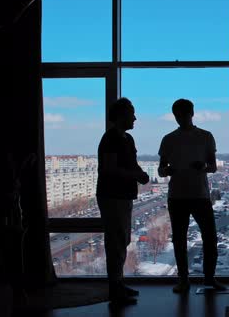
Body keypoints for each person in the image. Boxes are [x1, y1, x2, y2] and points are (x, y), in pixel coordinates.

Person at [158, 98, 226, 293]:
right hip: (180, 196)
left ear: (191, 113)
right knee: (180, 239)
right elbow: (161, 170)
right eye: (178, 116)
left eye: (183, 115)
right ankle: (185, 280)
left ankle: (207, 278)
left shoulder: (205, 137)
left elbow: (212, 166)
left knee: (209, 238)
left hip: (198, 195)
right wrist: (166, 171)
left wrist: (203, 167)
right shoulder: (169, 139)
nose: (181, 119)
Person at [96, 98, 149, 306]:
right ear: (120, 116)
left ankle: (118, 284)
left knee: (122, 240)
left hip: (123, 196)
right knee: (116, 242)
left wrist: (140, 174)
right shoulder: (110, 138)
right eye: (131, 113)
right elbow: (110, 170)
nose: (135, 118)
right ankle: (115, 289)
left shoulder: (127, 139)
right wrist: (135, 176)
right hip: (112, 196)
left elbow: (131, 165)